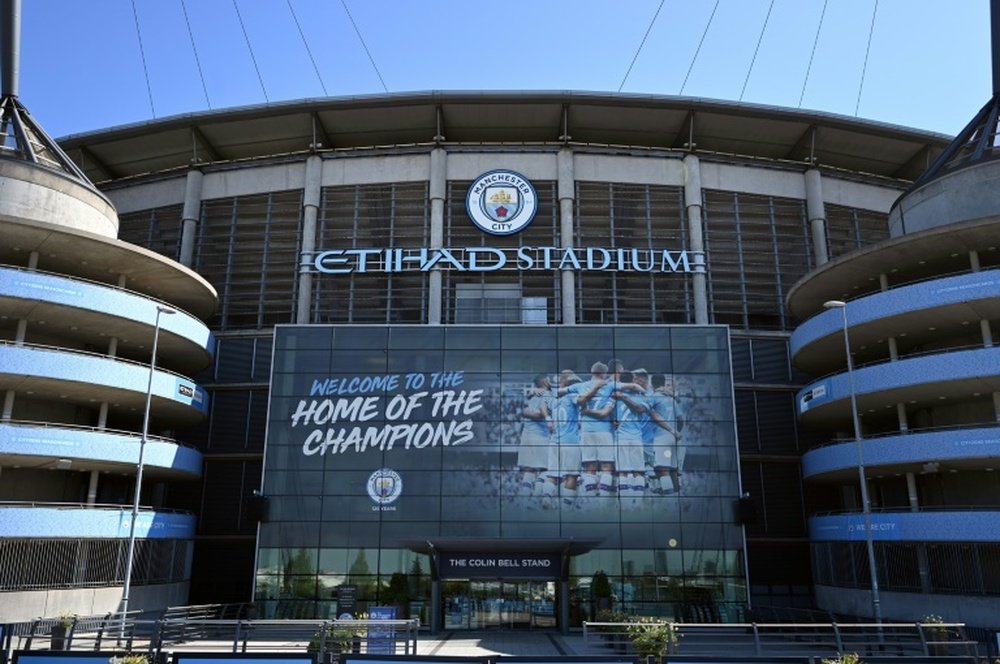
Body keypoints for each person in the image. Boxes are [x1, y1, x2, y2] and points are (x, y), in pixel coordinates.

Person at [547, 370, 583, 509]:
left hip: (554, 442)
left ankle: (546, 498)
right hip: (570, 442)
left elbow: (545, 405)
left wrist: (548, 419)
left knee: (552, 475)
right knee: (572, 476)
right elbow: (581, 400)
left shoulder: (554, 399)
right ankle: (566, 508)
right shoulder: (571, 396)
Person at [518, 374, 553, 500]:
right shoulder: (547, 394)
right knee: (546, 468)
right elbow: (540, 414)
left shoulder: (531, 395)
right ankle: (536, 497)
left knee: (529, 469)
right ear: (544, 381)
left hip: (526, 434)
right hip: (540, 434)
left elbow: (523, 411)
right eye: (548, 379)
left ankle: (523, 502)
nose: (550, 381)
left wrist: (527, 414)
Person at [647, 374, 683, 494]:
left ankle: (668, 496)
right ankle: (676, 494)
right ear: (663, 383)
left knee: (662, 469)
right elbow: (681, 419)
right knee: (673, 470)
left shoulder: (654, 397)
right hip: (673, 438)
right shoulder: (671, 399)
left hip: (660, 437)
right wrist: (676, 432)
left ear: (652, 384)